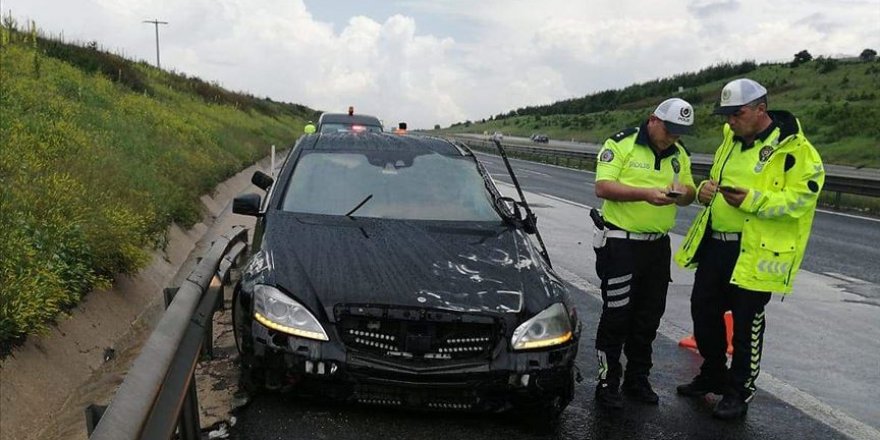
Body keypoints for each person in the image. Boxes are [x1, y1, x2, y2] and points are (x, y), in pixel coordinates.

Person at [674, 78, 824, 419]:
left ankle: (739, 391)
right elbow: (714, 177)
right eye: (726, 115)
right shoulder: (730, 139)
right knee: (703, 310)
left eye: (736, 114)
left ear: (760, 109)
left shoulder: (794, 149)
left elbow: (802, 198)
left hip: (757, 250)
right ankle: (712, 372)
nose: (730, 121)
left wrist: (754, 200)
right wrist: (706, 190)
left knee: (746, 324)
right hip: (717, 245)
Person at [591, 98, 697, 409]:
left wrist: (683, 194)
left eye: (680, 132)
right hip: (621, 243)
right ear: (653, 120)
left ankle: (638, 379)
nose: (673, 137)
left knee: (649, 317)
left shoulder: (679, 155)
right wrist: (645, 195)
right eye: (669, 129)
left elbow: (689, 193)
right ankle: (607, 380)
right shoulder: (621, 143)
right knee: (617, 315)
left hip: (657, 246)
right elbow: (603, 187)